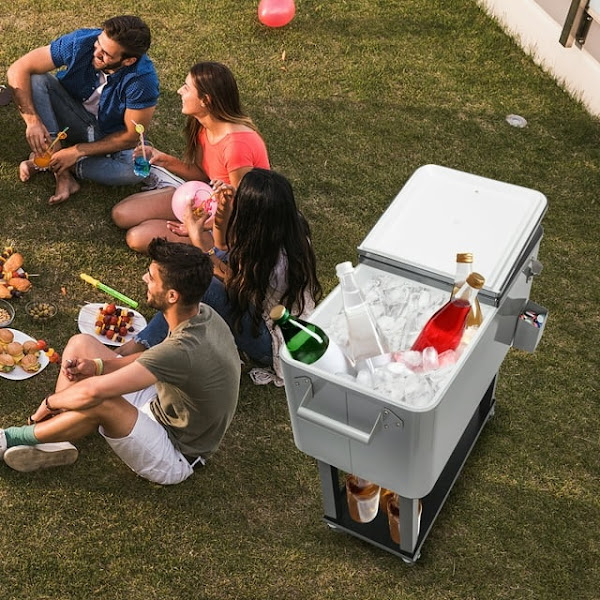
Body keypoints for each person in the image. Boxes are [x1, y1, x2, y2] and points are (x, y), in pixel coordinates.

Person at [0, 238, 240, 485]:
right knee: (80, 346)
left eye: (152, 277)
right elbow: (155, 360)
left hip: (176, 453)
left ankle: (10, 438)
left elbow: (95, 392)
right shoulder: (202, 315)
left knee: (100, 401)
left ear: (171, 295)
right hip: (159, 404)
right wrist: (97, 366)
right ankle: (58, 435)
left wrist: (51, 402)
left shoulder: (182, 350)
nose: (144, 279)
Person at [128, 168, 322, 384]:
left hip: (273, 338)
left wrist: (197, 237)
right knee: (215, 257)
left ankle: (141, 345)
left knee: (201, 285)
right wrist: (223, 208)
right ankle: (150, 342)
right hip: (260, 302)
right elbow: (221, 244)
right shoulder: (280, 225)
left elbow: (235, 284)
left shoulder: (278, 263)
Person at [111, 61, 270, 254]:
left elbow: (244, 207)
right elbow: (203, 175)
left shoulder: (236, 147)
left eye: (186, 88)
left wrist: (199, 228)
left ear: (206, 100)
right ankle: (176, 199)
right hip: (203, 199)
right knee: (121, 214)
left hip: (228, 225)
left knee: (136, 237)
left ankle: (204, 244)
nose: (179, 91)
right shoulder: (204, 126)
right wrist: (164, 159)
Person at [7, 15, 159, 206]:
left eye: (106, 55)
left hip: (106, 133)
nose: (96, 53)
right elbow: (18, 68)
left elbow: (129, 136)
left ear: (128, 61)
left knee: (136, 170)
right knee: (36, 79)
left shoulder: (142, 80)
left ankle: (51, 162)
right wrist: (32, 121)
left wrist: (77, 151)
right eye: (98, 44)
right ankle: (61, 173)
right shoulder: (82, 41)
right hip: (69, 112)